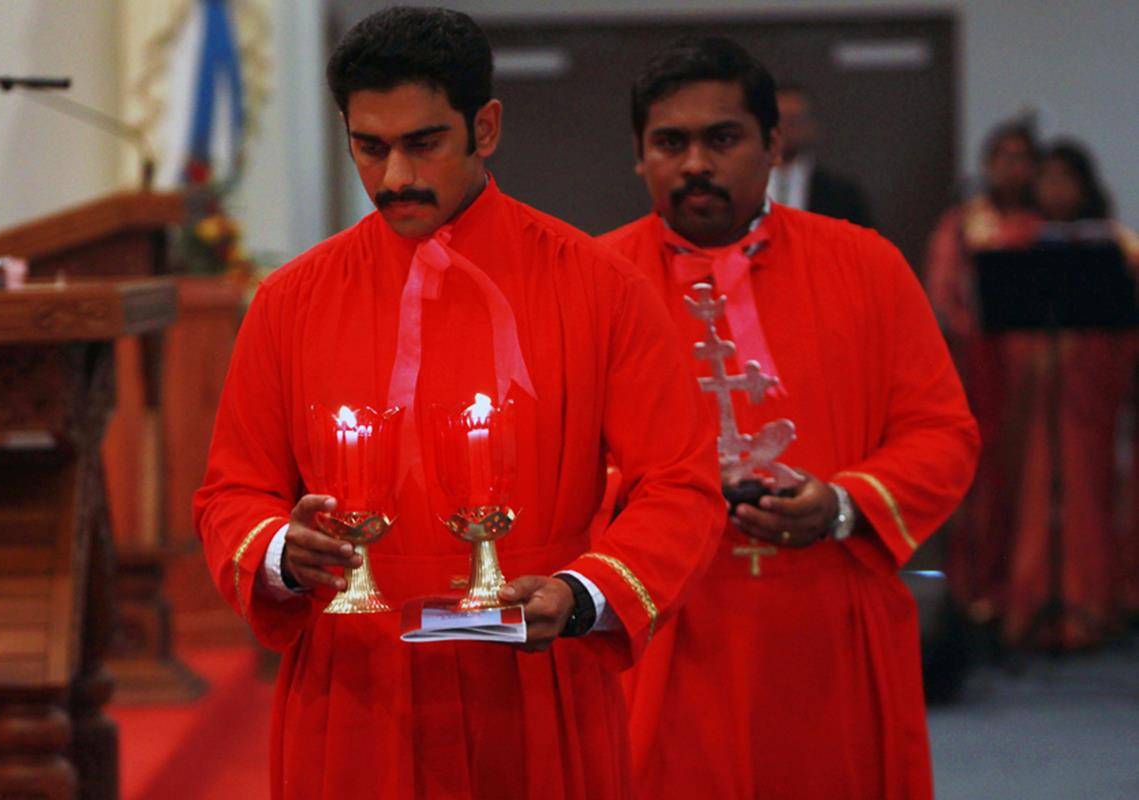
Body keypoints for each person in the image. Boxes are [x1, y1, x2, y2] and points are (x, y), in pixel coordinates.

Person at [193, 8, 725, 799]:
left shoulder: (599, 287)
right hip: (355, 683)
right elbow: (231, 492)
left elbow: (679, 485)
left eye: (424, 143)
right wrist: (281, 551)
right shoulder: (289, 302)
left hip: (536, 673)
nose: (394, 177)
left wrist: (583, 595)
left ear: (486, 128)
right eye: (369, 147)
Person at [598, 36, 979, 799]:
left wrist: (841, 502)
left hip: (824, 613)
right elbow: (553, 458)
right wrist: (660, 503)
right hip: (661, 623)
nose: (695, 164)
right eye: (669, 143)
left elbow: (941, 433)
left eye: (723, 139)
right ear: (639, 156)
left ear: (773, 145)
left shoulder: (865, 264)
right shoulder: (594, 279)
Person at [999, 141, 1139, 647]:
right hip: (1038, 396)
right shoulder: (1019, 241)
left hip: (1090, 395)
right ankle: (1033, 602)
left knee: (1088, 491)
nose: (1054, 188)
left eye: (1064, 179)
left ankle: (1089, 603)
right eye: (1047, 178)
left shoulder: (1113, 245)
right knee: (1037, 490)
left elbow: (1123, 325)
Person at [925, 122, 1043, 627]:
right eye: (1003, 157)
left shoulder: (1045, 224)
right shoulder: (964, 223)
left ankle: (1031, 596)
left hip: (1038, 381)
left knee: (1034, 481)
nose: (1013, 168)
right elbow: (943, 294)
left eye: (1023, 158)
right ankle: (977, 597)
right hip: (980, 371)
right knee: (981, 482)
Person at [766, 83, 873, 226]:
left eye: (795, 120)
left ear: (811, 126)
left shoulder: (841, 196)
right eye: (780, 119)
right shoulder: (743, 191)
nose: (787, 128)